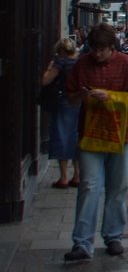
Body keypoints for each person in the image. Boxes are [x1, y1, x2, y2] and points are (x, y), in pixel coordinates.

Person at [63, 23, 128, 261]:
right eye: (95, 49)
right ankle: (82, 242)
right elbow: (71, 97)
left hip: (120, 133)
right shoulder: (82, 64)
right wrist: (83, 95)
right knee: (89, 186)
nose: (98, 54)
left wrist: (112, 97)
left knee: (118, 186)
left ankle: (114, 236)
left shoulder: (125, 64)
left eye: (103, 49)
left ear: (111, 48)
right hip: (91, 133)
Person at [41, 37, 80, 188]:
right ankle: (77, 175)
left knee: (62, 136)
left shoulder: (60, 63)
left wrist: (49, 68)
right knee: (76, 137)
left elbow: (45, 80)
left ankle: (63, 177)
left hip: (63, 102)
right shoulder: (79, 63)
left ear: (61, 51)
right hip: (78, 102)